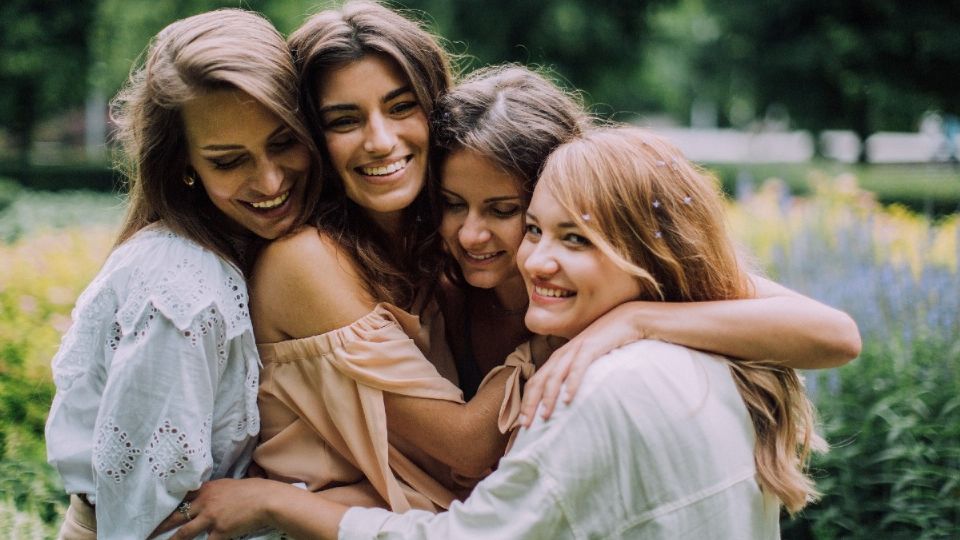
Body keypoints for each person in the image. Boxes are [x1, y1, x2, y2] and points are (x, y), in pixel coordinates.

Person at [170, 125, 827, 539]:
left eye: (575, 238)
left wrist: (276, 506)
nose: (534, 259)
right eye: (537, 230)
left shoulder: (593, 388)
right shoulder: (713, 351)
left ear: (647, 254)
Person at [430, 64, 861, 411]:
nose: (470, 235)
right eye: (452, 204)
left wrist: (636, 319)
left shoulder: (617, 281)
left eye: (504, 210)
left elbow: (836, 335)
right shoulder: (443, 290)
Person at [43, 9, 320, 539]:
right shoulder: (182, 290)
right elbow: (147, 524)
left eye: (284, 142)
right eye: (227, 160)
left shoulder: (245, 249)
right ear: (184, 164)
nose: (269, 180)